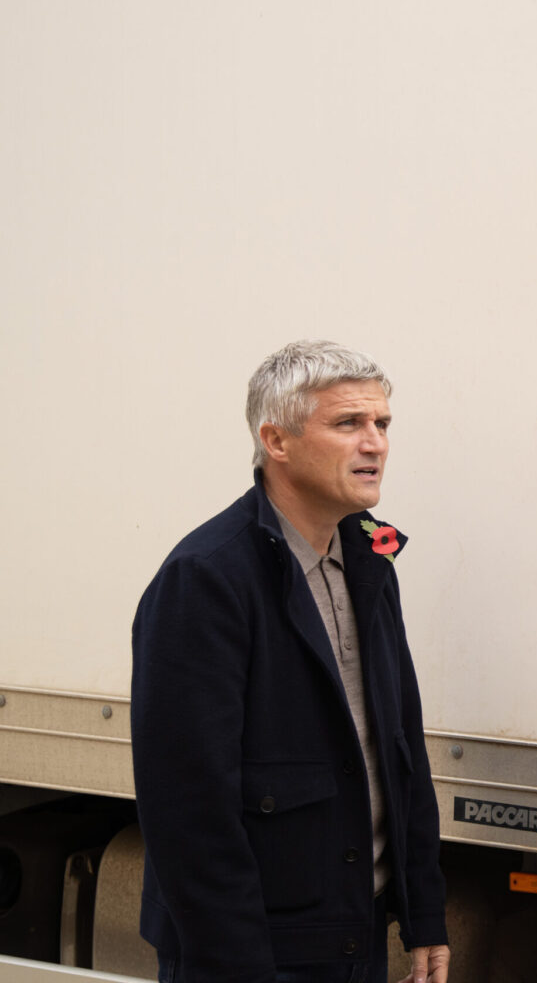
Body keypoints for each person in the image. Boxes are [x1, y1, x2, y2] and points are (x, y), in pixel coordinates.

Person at [131, 340, 449, 983]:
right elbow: (190, 817)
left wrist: (425, 917)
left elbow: (400, 749)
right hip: (260, 954)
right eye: (348, 424)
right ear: (276, 441)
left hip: (356, 936)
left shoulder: (369, 559)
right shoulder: (207, 579)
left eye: (382, 424)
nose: (376, 443)